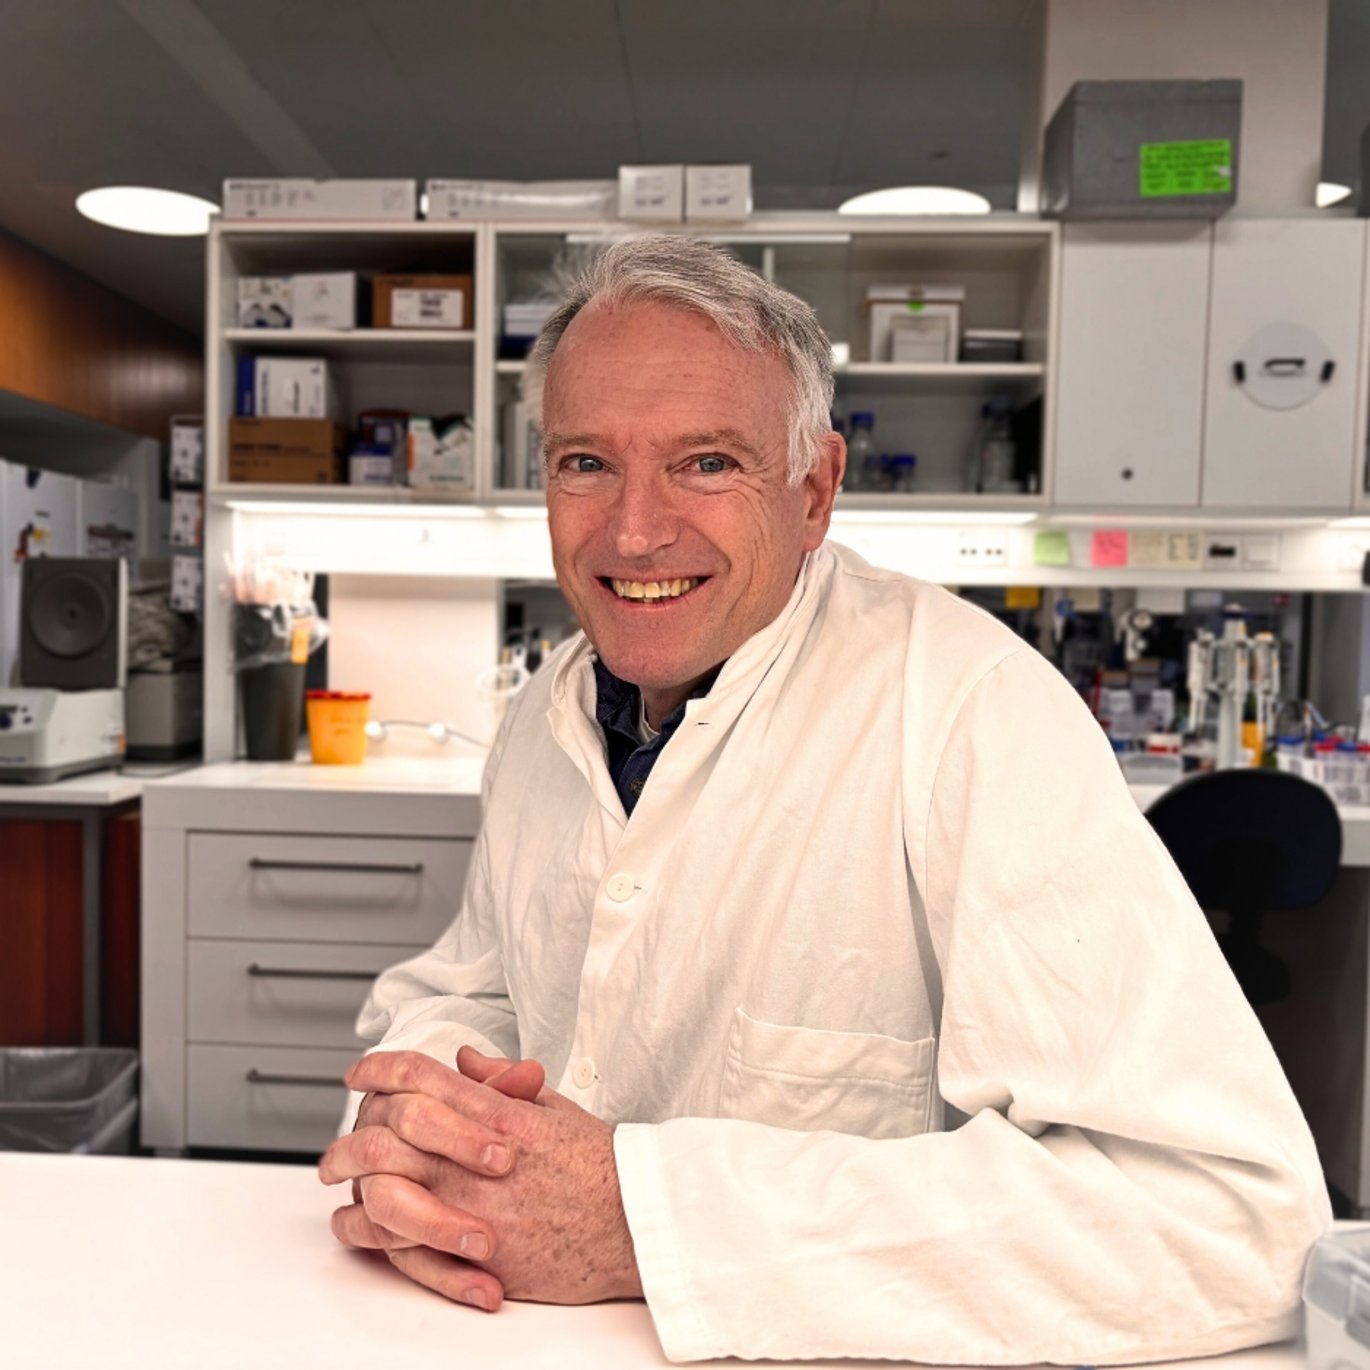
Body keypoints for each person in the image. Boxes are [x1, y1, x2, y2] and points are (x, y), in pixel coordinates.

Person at [318, 235, 1331, 1363]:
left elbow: (1218, 1220)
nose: (634, 529)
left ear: (812, 491)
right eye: (585, 462)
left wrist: (641, 1217)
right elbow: (483, 990)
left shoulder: (967, 709)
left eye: (706, 462)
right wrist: (419, 1117)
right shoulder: (544, 711)